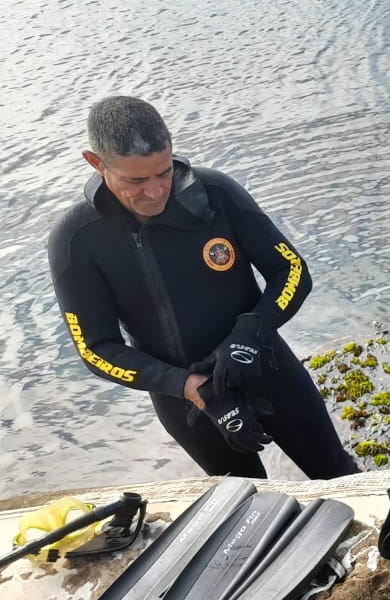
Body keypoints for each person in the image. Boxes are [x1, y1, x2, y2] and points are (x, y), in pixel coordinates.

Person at [47, 96, 358, 480]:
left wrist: (250, 331)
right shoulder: (76, 239)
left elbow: (291, 270)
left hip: (264, 366)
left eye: (163, 172)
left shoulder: (215, 194)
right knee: (245, 509)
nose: (156, 191)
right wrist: (186, 386)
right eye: (136, 180)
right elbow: (96, 350)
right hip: (189, 404)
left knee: (341, 477)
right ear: (96, 163)